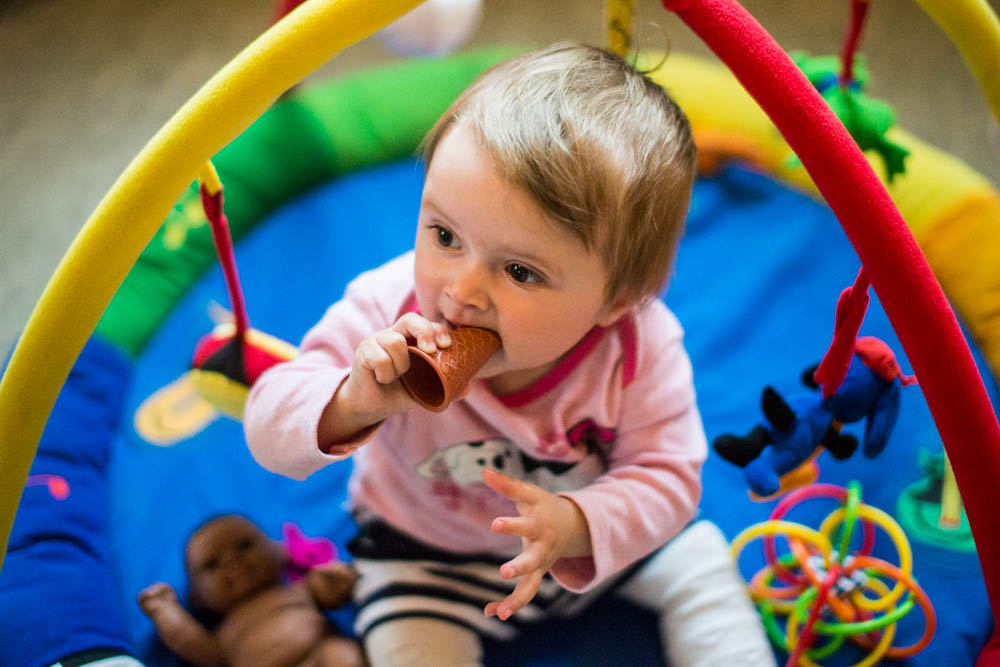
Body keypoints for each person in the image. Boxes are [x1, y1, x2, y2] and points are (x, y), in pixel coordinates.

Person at [244, 43, 774, 666]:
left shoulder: (639, 349)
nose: (460, 292)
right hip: (424, 553)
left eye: (520, 271)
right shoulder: (387, 310)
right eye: (444, 236)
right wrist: (350, 400)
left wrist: (578, 523)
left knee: (704, 575)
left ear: (615, 300)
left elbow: (670, 477)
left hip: (596, 540)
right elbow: (267, 430)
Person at [138, 515, 363, 667]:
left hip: (322, 656)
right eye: (212, 564)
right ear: (197, 598)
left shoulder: (297, 592)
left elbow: (333, 591)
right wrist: (165, 610)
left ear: (278, 551)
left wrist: (338, 577)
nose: (232, 560)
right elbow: (187, 640)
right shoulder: (221, 639)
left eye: (245, 545)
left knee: (343, 654)